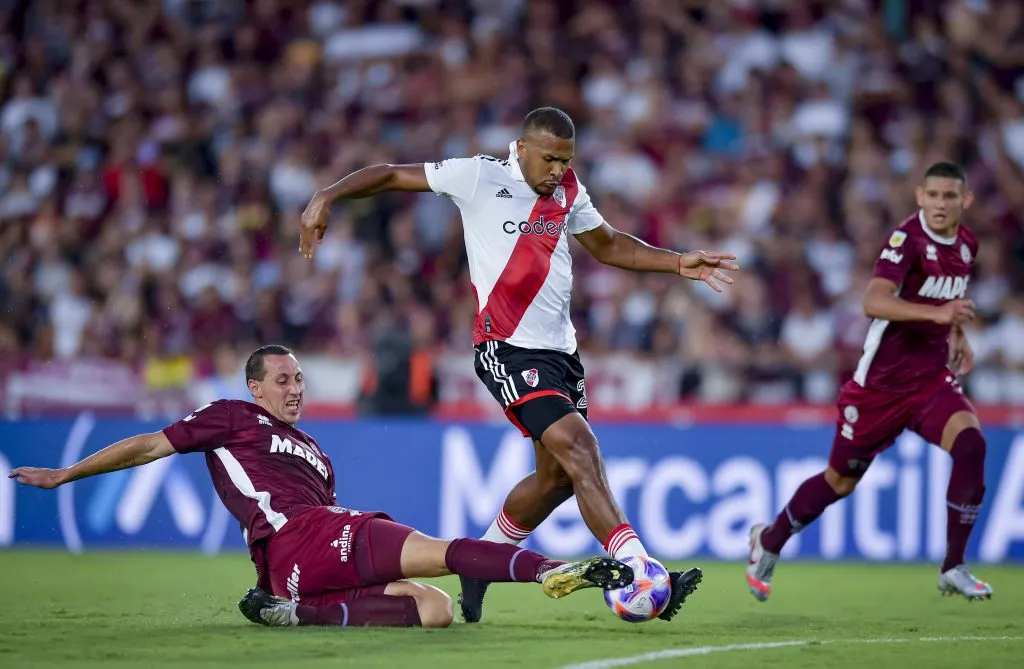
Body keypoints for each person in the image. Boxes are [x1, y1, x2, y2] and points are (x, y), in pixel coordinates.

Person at [300, 107, 738, 623]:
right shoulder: (480, 175)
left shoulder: (570, 191)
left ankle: (480, 564)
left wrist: (676, 261)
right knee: (581, 446)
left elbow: (610, 245)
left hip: (562, 354)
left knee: (555, 480)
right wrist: (326, 195)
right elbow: (393, 174)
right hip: (505, 348)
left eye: (566, 161)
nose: (558, 170)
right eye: (550, 159)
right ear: (522, 148)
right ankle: (639, 567)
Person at [9, 345, 634, 629]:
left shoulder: (316, 453)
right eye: (282, 379)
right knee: (439, 551)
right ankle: (554, 568)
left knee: (435, 611)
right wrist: (69, 473)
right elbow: (149, 445)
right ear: (256, 387)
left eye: (300, 378)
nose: (295, 388)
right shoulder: (232, 416)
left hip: (298, 562)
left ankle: (295, 612)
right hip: (300, 539)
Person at [746, 162, 992, 601]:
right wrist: (938, 315)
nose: (939, 204)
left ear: (964, 201)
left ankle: (954, 565)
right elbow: (873, 301)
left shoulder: (967, 244)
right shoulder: (906, 241)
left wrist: (957, 333)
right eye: (931, 195)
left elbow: (949, 299)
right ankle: (770, 539)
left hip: (930, 381)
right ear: (919, 197)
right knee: (840, 481)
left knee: (972, 445)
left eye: (948, 196)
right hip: (879, 388)